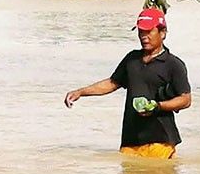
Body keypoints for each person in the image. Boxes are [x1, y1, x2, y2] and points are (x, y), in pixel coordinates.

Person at [64, 8, 191, 158]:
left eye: (149, 32)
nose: (144, 37)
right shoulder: (132, 59)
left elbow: (186, 100)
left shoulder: (173, 64)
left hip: (160, 140)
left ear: (162, 33)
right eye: (141, 32)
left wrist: (157, 107)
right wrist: (80, 92)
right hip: (130, 140)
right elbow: (112, 83)